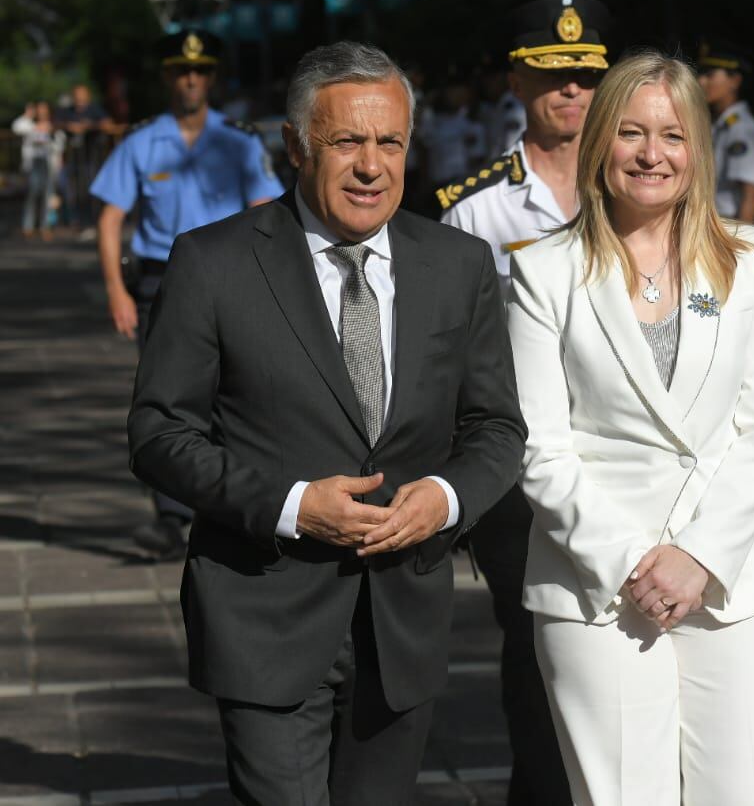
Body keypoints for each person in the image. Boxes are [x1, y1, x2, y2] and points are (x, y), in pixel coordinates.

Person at [127, 41, 527, 805]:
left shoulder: (458, 264)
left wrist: (444, 496)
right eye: (347, 141)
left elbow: (497, 427)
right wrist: (290, 505)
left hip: (401, 624)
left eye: (390, 142)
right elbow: (158, 432)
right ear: (295, 145)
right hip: (264, 614)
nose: (371, 165)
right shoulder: (211, 264)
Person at [509, 49, 754, 805]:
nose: (651, 154)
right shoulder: (542, 273)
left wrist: (699, 555)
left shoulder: (752, 261)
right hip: (596, 586)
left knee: (751, 790)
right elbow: (539, 446)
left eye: (672, 135)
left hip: (730, 579)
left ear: (696, 148)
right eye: (632, 132)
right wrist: (636, 560)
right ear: (601, 140)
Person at [439, 0, 610, 806]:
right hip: (519, 468)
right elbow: (453, 351)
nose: (570, 93)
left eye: (584, 75)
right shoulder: (473, 208)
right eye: (551, 76)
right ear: (517, 82)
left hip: (622, 456)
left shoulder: (641, 181)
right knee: (535, 642)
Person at [90, 29, 284, 559]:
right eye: (180, 70)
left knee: (238, 394)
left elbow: (265, 212)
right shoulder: (142, 141)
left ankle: (235, 505)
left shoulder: (240, 141)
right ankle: (172, 519)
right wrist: (116, 290)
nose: (190, 79)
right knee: (167, 400)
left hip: (231, 281)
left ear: (213, 77)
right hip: (158, 284)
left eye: (199, 71)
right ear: (167, 77)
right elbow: (110, 217)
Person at [697, 40, 754, 222]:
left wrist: (739, 246)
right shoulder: (718, 125)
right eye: (701, 74)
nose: (701, 81)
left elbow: (750, 196)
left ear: (734, 81)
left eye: (710, 75)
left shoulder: (741, 128)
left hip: (731, 224)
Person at [56, 84, 112, 234]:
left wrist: (89, 126)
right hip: (72, 158)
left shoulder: (94, 110)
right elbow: (55, 123)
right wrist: (69, 126)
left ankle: (92, 222)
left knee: (90, 190)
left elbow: (108, 124)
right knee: (71, 191)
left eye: (82, 96)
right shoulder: (67, 111)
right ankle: (76, 221)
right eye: (77, 96)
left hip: (90, 158)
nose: (79, 99)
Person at [11, 102, 64, 241]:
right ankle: (27, 226)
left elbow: (59, 145)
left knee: (48, 197)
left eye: (43, 110)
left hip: (48, 165)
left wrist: (48, 135)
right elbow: (16, 127)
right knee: (32, 194)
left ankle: (45, 227)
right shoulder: (30, 126)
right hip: (32, 164)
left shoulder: (53, 127)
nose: (41, 112)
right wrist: (28, 115)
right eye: (38, 110)